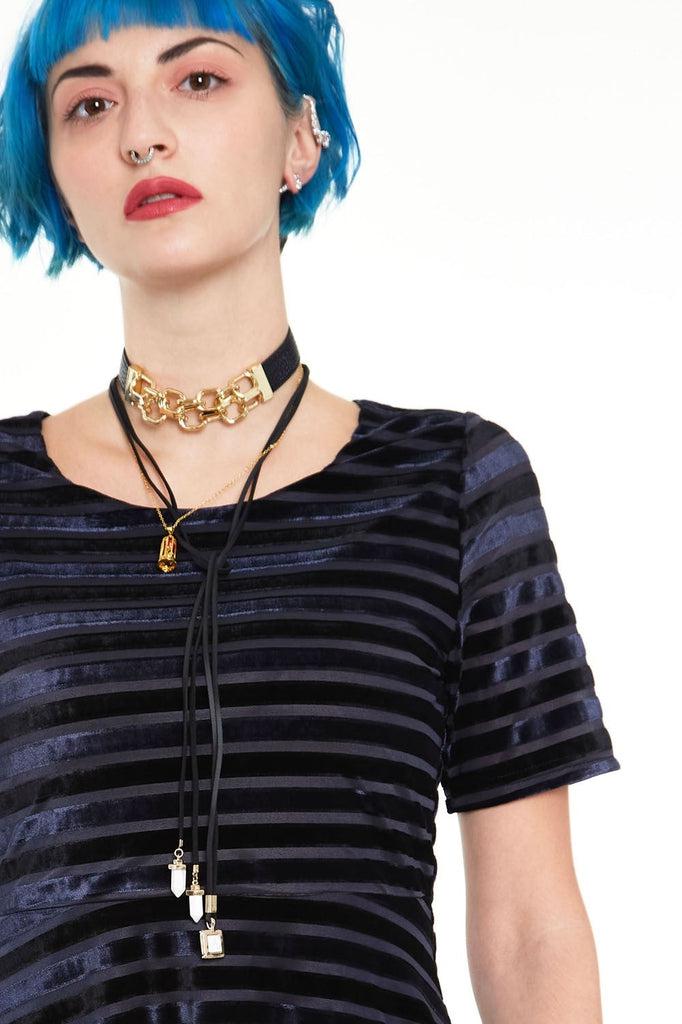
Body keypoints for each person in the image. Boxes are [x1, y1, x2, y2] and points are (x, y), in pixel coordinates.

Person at [0, 1, 620, 1021]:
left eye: (198, 80)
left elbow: (529, 930)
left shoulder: (452, 485)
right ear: (58, 179)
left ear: (300, 137)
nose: (141, 134)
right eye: (90, 104)